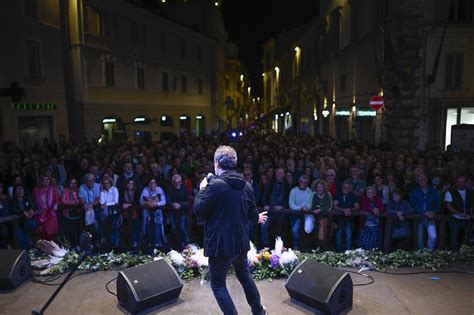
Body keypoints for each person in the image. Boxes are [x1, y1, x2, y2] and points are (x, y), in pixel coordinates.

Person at [193, 145, 268, 315]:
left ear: (217, 163)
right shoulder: (246, 185)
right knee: (244, 276)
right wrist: (257, 218)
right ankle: (259, 311)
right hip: (240, 242)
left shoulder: (215, 185)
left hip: (220, 246)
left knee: (218, 285)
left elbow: (198, 209)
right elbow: (252, 213)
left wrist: (202, 188)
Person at [409, 174, 440, 251]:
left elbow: (438, 204)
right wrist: (423, 212)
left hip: (430, 218)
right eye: (420, 180)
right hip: (418, 218)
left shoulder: (434, 191)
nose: (422, 181)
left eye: (423, 179)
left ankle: (427, 254)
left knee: (433, 236)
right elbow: (413, 205)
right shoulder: (414, 192)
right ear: (418, 182)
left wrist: (433, 212)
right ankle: (421, 257)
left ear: (427, 180)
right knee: (419, 241)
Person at [261, 167, 290, 248]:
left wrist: (282, 206)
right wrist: (265, 204)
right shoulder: (270, 183)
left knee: (280, 229)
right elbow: (264, 196)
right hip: (270, 210)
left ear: (284, 175)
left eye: (281, 173)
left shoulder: (287, 186)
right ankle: (265, 246)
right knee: (263, 226)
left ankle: (279, 248)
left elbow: (288, 199)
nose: (279, 174)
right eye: (277, 172)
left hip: (281, 211)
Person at [444, 176, 473, 250]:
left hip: (467, 218)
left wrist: (470, 214)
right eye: (459, 182)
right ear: (456, 182)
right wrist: (458, 213)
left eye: (463, 182)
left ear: (465, 183)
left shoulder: (470, 192)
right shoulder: (450, 192)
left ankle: (464, 253)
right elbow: (448, 205)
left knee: (466, 238)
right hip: (454, 218)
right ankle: (454, 254)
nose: (461, 184)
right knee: (454, 237)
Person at [333, 180, 360, 252]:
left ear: (350, 189)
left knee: (349, 236)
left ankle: (348, 253)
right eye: (344, 187)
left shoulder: (353, 196)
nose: (345, 189)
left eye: (348, 187)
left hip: (349, 219)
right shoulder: (338, 194)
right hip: (339, 219)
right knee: (338, 236)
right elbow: (335, 206)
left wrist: (350, 209)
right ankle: (339, 253)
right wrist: (343, 210)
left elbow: (357, 207)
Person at [140, 178, 166, 247]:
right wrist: (147, 203)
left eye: (154, 183)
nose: (152, 185)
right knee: (148, 226)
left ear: (156, 184)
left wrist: (156, 204)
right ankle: (149, 243)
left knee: (158, 226)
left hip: (157, 212)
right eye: (151, 183)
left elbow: (164, 201)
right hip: (147, 212)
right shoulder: (145, 190)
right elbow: (141, 201)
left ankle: (157, 243)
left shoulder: (159, 189)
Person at [288, 175, 312, 250]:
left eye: (305, 182)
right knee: (295, 230)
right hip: (294, 214)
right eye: (301, 181)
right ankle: (296, 246)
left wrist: (306, 208)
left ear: (307, 183)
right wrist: (300, 208)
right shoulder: (293, 191)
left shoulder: (310, 191)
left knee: (306, 230)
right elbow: (291, 204)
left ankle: (303, 247)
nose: (303, 183)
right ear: (299, 182)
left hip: (306, 214)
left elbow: (309, 203)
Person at [33, 175, 60, 241]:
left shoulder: (53, 189)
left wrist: (56, 204)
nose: (47, 181)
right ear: (41, 181)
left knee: (50, 235)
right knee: (42, 234)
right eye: (45, 179)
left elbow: (58, 200)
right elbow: (33, 201)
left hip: (50, 214)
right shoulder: (36, 190)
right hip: (40, 214)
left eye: (48, 179)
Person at [167, 174, 191, 248]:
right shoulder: (170, 189)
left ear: (181, 182)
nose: (177, 183)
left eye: (179, 182)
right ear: (173, 182)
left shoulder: (185, 189)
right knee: (174, 228)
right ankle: (179, 244)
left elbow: (188, 201)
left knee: (182, 227)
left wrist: (180, 204)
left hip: (182, 211)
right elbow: (168, 201)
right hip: (173, 212)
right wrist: (173, 204)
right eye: (175, 182)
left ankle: (187, 243)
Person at [358, 186, 385, 250]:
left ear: (374, 193)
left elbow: (383, 208)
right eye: (368, 192)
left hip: (376, 225)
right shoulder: (364, 200)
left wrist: (378, 210)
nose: (369, 193)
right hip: (366, 225)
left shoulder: (378, 199)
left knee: (375, 242)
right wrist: (373, 210)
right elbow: (364, 207)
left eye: (371, 192)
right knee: (365, 242)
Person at [79, 173, 101, 244]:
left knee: (96, 225)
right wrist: (85, 204)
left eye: (92, 180)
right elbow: (82, 199)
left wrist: (90, 205)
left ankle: (97, 241)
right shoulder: (82, 187)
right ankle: (87, 243)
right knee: (86, 226)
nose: (90, 182)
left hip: (95, 207)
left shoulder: (98, 186)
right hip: (85, 208)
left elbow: (98, 199)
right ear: (85, 181)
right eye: (88, 181)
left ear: (94, 180)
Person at [60, 178, 81, 248]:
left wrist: (77, 202)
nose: (73, 185)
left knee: (78, 230)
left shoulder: (78, 190)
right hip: (69, 213)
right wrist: (72, 202)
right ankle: (72, 245)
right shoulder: (66, 191)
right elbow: (63, 201)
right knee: (71, 230)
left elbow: (81, 199)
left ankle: (78, 244)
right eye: (71, 183)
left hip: (77, 212)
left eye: (74, 183)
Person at [120, 178, 141, 247]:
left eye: (131, 184)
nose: (129, 185)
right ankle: (127, 242)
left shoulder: (137, 192)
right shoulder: (123, 192)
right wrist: (123, 204)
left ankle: (135, 241)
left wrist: (129, 205)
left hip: (135, 212)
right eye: (128, 184)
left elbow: (137, 201)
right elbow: (121, 201)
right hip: (125, 213)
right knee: (125, 227)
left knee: (135, 226)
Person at [100, 178, 120, 247]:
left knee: (114, 227)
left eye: (107, 183)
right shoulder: (102, 191)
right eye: (105, 183)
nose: (106, 185)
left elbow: (116, 201)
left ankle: (116, 244)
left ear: (110, 183)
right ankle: (107, 243)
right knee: (106, 228)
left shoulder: (114, 189)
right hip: (105, 213)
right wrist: (106, 204)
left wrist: (107, 204)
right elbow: (102, 202)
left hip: (113, 211)